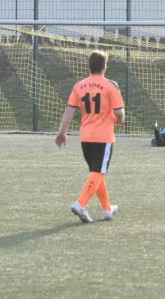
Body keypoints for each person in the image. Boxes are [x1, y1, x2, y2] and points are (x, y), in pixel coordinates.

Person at [55, 50, 125, 223]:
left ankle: (107, 209)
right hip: (103, 137)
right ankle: (81, 203)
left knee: (97, 173)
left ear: (90, 66)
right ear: (104, 67)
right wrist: (119, 120)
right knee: (98, 172)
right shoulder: (111, 86)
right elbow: (119, 112)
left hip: (85, 137)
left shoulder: (79, 86)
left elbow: (70, 110)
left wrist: (62, 132)